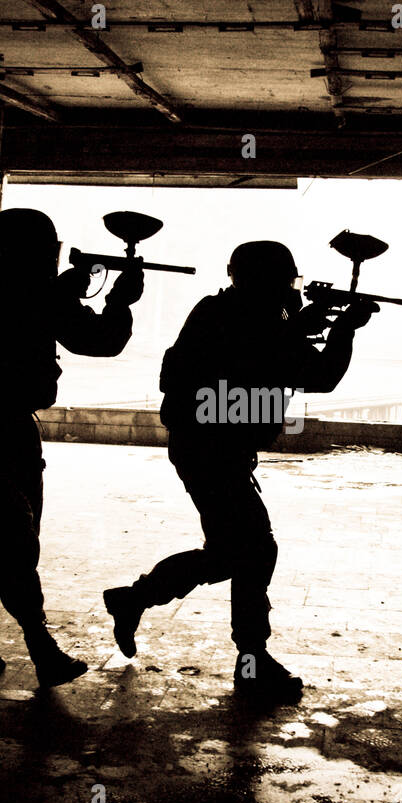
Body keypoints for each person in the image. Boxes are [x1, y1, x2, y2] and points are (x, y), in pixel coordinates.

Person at [103, 240, 376, 704]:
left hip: (209, 448)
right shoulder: (253, 319)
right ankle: (247, 659)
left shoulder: (223, 310)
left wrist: (305, 321)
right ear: (266, 281)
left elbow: (265, 350)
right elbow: (319, 374)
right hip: (211, 452)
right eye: (284, 281)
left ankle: (137, 600)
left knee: (236, 552)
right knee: (253, 551)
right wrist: (344, 328)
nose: (289, 290)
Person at [0, 208, 143, 685]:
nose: (52, 257)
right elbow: (101, 341)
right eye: (44, 249)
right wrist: (120, 301)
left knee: (17, 545)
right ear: (11, 250)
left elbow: (22, 322)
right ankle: (39, 646)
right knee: (18, 542)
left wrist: (64, 293)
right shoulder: (29, 295)